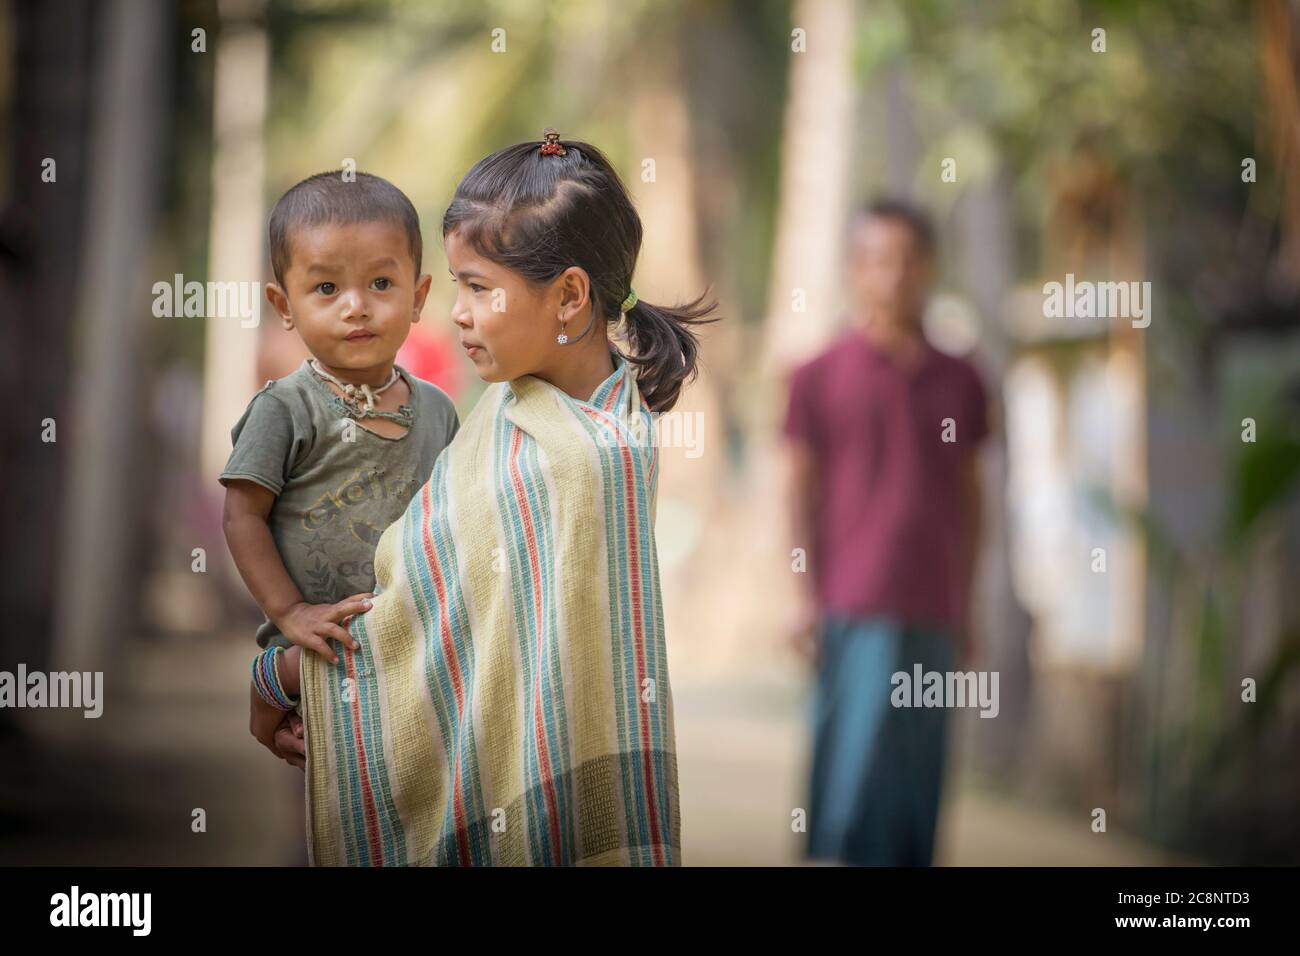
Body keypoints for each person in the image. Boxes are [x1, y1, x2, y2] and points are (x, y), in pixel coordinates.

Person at [289, 129, 715, 865]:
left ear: (570, 296)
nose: (458, 312)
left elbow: (428, 620)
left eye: (481, 287)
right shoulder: (517, 411)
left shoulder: (580, 459)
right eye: (458, 285)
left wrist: (282, 673)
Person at [219, 171, 459, 767]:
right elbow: (242, 516)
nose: (357, 306)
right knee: (327, 797)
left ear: (419, 296)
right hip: (318, 656)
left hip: (416, 652)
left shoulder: (437, 410)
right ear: (285, 306)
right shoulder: (285, 408)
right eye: (326, 287)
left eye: (381, 282)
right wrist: (289, 614)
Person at [783, 199, 990, 866]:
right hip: (850, 605)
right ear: (854, 269)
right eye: (876, 259)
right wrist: (800, 593)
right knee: (846, 782)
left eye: (907, 259)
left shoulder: (963, 380)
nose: (893, 274)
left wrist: (968, 600)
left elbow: (973, 498)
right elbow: (797, 490)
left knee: (917, 787)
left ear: (927, 267)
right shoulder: (818, 375)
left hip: (932, 607)